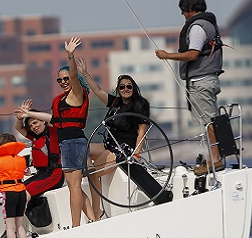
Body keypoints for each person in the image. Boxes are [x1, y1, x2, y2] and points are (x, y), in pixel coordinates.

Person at [16, 37, 94, 227]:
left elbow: (75, 77)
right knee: (75, 186)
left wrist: (70, 56)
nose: (63, 82)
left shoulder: (77, 94)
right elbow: (55, 120)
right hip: (67, 142)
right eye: (60, 80)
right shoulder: (59, 100)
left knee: (74, 187)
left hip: (74, 142)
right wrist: (28, 113)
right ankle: (93, 219)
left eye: (66, 79)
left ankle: (76, 226)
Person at [155, 0, 224, 176]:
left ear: (190, 9)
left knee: (209, 121)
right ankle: (213, 158)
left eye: (183, 11)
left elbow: (193, 54)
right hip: (208, 79)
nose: (183, 15)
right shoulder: (208, 24)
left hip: (201, 81)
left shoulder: (197, 27)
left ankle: (215, 160)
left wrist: (166, 56)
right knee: (211, 119)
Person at [78, 61, 154, 215]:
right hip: (110, 144)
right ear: (118, 90)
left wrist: (136, 154)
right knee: (82, 148)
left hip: (124, 148)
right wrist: (85, 74)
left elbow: (142, 131)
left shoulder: (140, 104)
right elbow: (98, 91)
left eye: (129, 86)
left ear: (133, 88)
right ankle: (91, 170)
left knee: (92, 174)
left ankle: (96, 210)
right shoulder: (116, 103)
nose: (125, 89)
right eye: (122, 87)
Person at [14, 101, 64, 202]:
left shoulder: (52, 132)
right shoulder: (34, 137)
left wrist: (29, 114)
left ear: (43, 121)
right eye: (30, 126)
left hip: (54, 175)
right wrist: (20, 117)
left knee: (24, 194)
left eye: (35, 123)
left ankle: (16, 217)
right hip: (41, 174)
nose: (33, 127)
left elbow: (51, 118)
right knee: (15, 191)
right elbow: (18, 127)